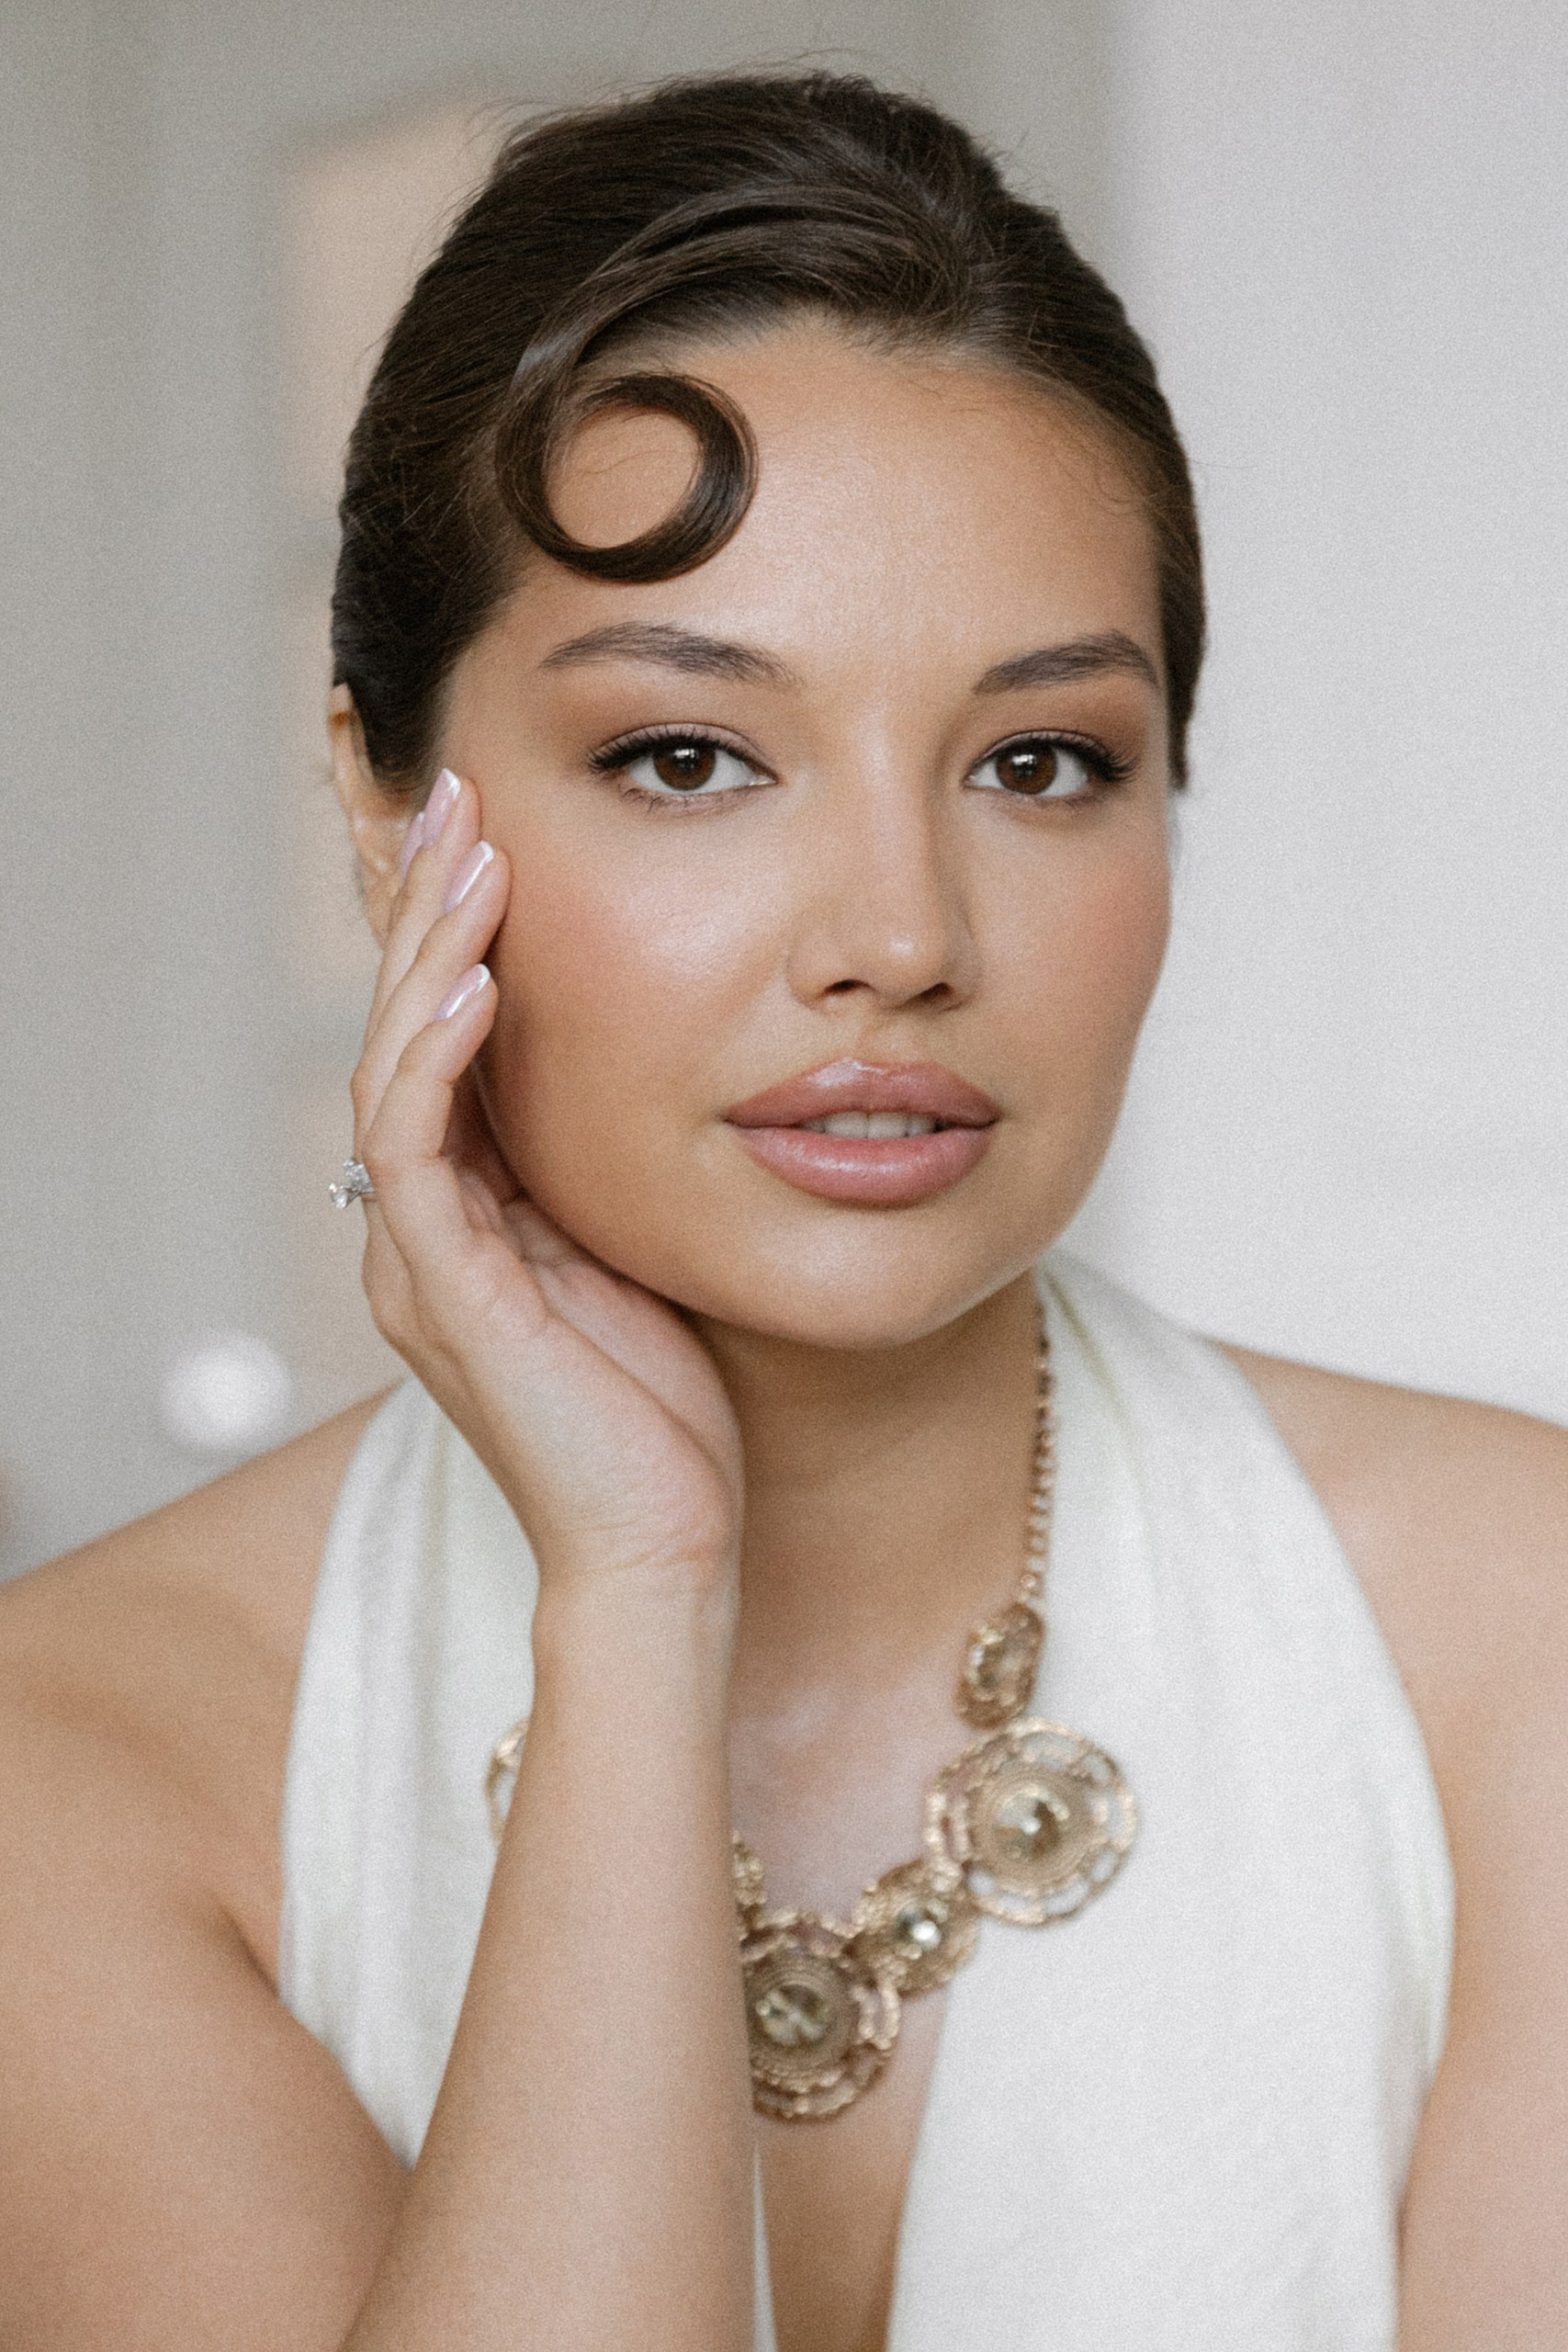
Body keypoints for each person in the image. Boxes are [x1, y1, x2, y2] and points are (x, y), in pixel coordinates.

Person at [0, 68, 1563, 2352]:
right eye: (687, 754)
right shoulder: (73, 1760)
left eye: (1038, 760)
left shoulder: (1518, 1639)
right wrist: (636, 1600)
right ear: (384, 809)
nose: (898, 935)